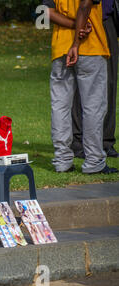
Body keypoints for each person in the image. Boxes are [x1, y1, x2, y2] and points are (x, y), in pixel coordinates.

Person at [45, 0, 117, 174]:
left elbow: (47, 12)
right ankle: (94, 161)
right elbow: (85, 4)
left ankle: (62, 160)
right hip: (89, 45)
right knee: (93, 106)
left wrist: (73, 25)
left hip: (60, 47)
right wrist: (78, 35)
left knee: (60, 106)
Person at [70, 0, 119, 159]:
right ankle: (78, 141)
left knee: (109, 83)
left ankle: (105, 140)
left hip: (106, 18)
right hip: (80, 16)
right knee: (79, 82)